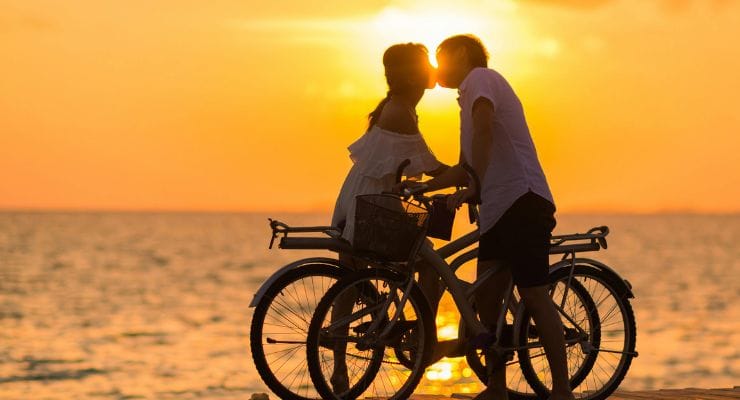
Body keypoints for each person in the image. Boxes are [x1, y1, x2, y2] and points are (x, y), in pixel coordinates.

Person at [408, 34, 575, 400]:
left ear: (462, 54)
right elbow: (465, 166)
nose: (437, 66)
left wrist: (475, 184)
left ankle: (563, 391)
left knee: (533, 294)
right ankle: (496, 389)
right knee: (486, 302)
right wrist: (421, 189)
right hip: (498, 209)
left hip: (523, 199)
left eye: (441, 56)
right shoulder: (466, 96)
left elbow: (484, 131)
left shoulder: (481, 79)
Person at [328, 42, 448, 394]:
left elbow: (406, 167)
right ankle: (424, 338)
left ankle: (338, 370)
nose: (433, 68)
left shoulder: (397, 107)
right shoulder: (400, 112)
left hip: (359, 202)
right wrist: (472, 176)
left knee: (349, 280)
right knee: (431, 266)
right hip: (375, 207)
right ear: (412, 74)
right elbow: (431, 165)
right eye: (427, 63)